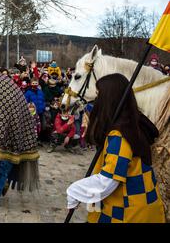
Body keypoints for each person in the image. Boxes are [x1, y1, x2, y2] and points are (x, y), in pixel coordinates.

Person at [66, 73, 165, 223]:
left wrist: (75, 191)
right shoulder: (132, 124)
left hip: (129, 213)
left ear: (109, 99)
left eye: (99, 95)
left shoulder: (120, 135)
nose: (96, 100)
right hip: (140, 207)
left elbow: (108, 180)